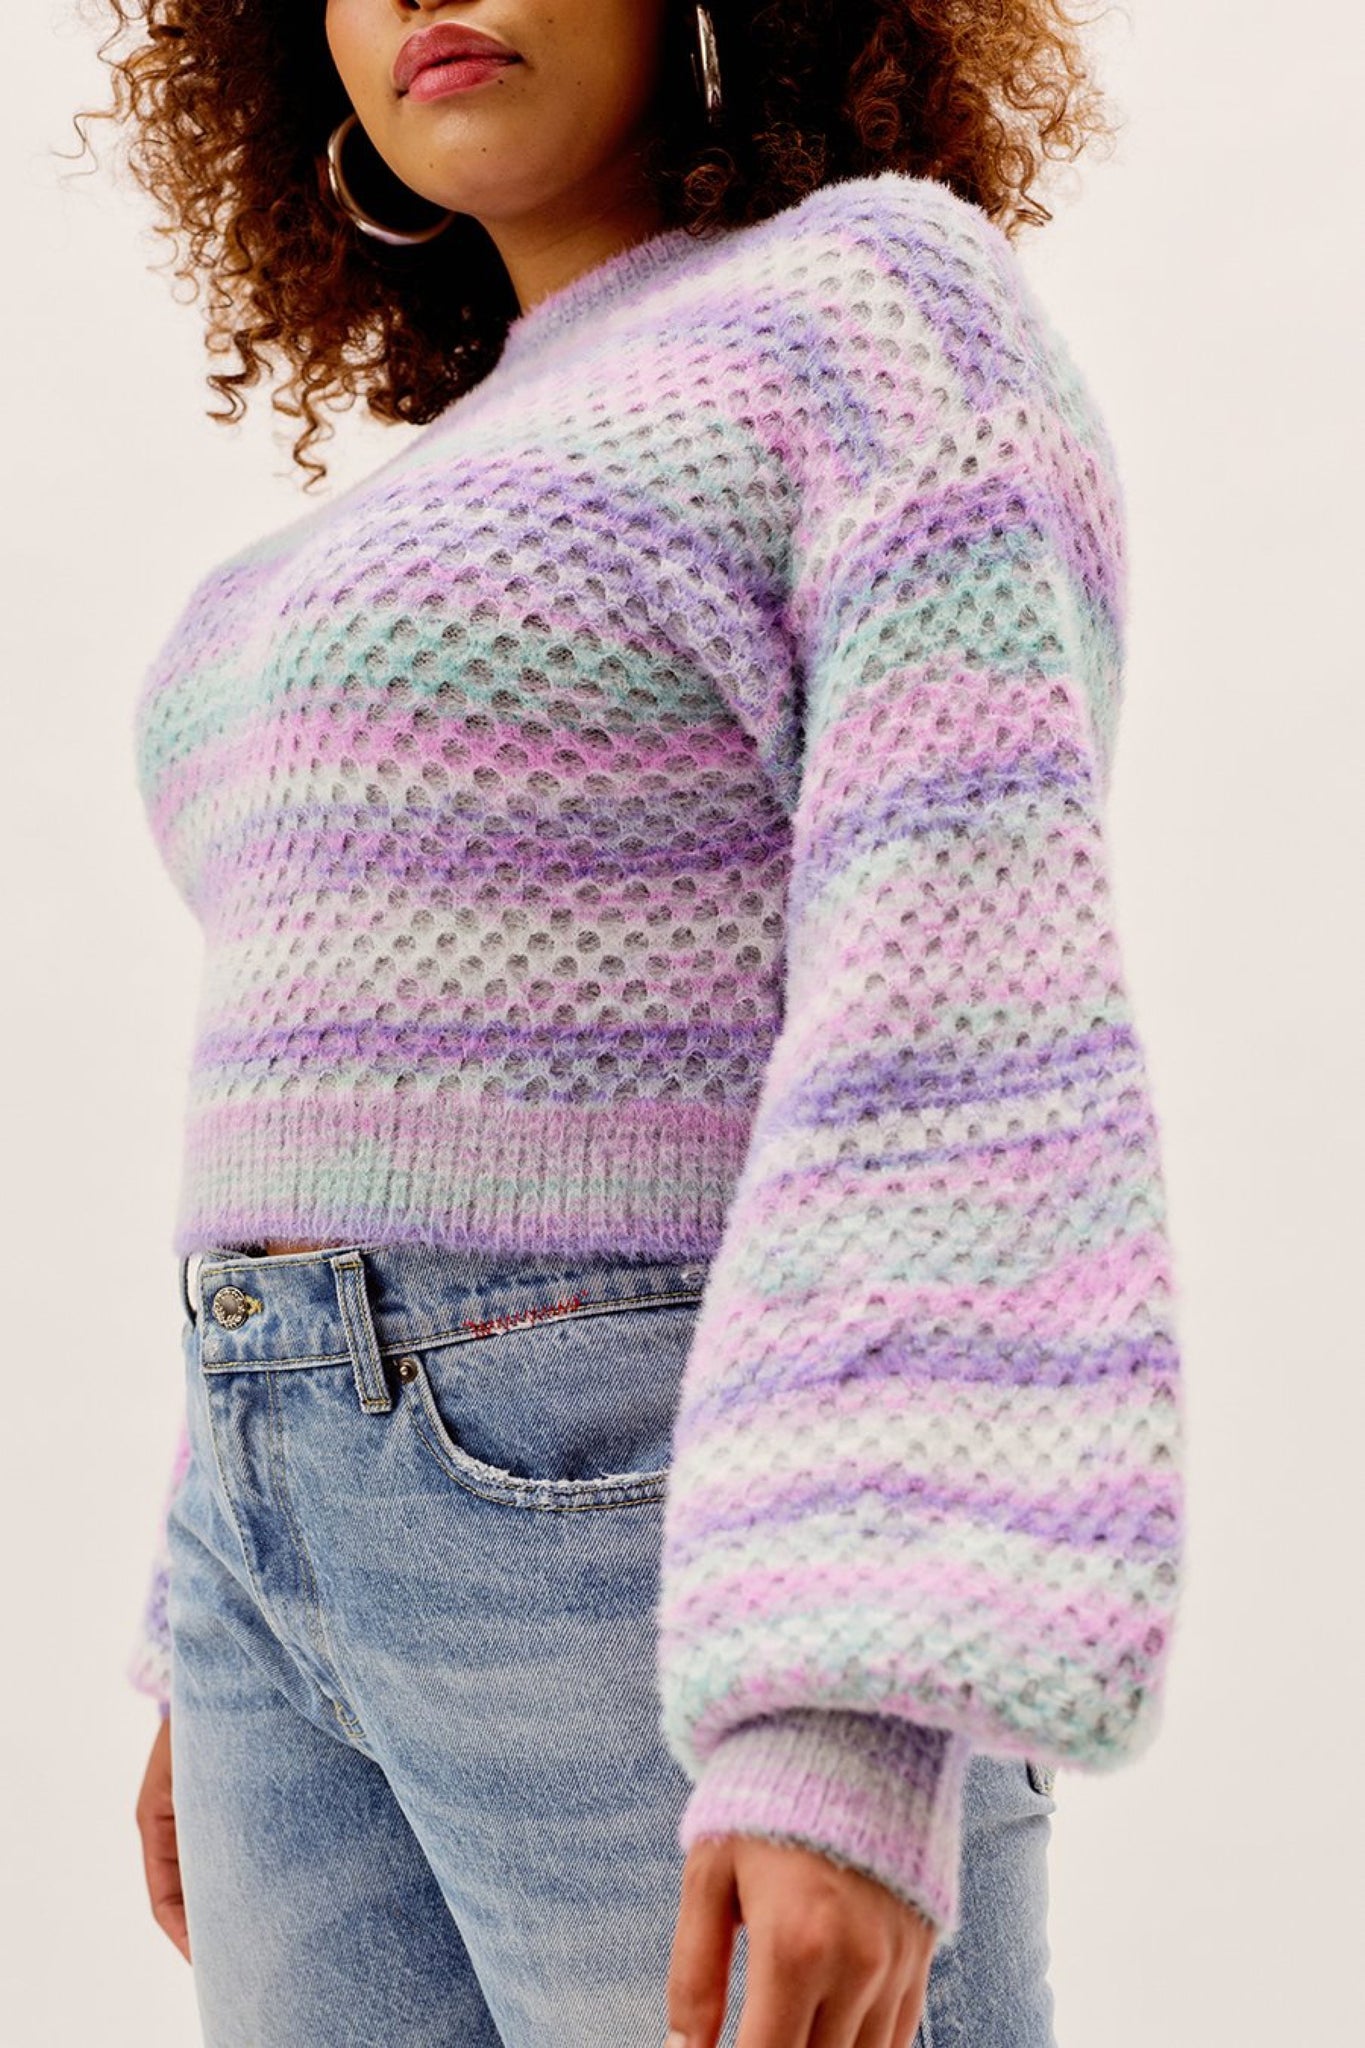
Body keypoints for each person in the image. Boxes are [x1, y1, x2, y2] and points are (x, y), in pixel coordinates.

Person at [86, 2, 1186, 2043]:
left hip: (656, 1541)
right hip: (269, 1548)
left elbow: (956, 1011)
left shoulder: (866, 312)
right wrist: (217, 1593)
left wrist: (850, 1707)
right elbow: (334, 1068)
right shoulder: (449, 461)